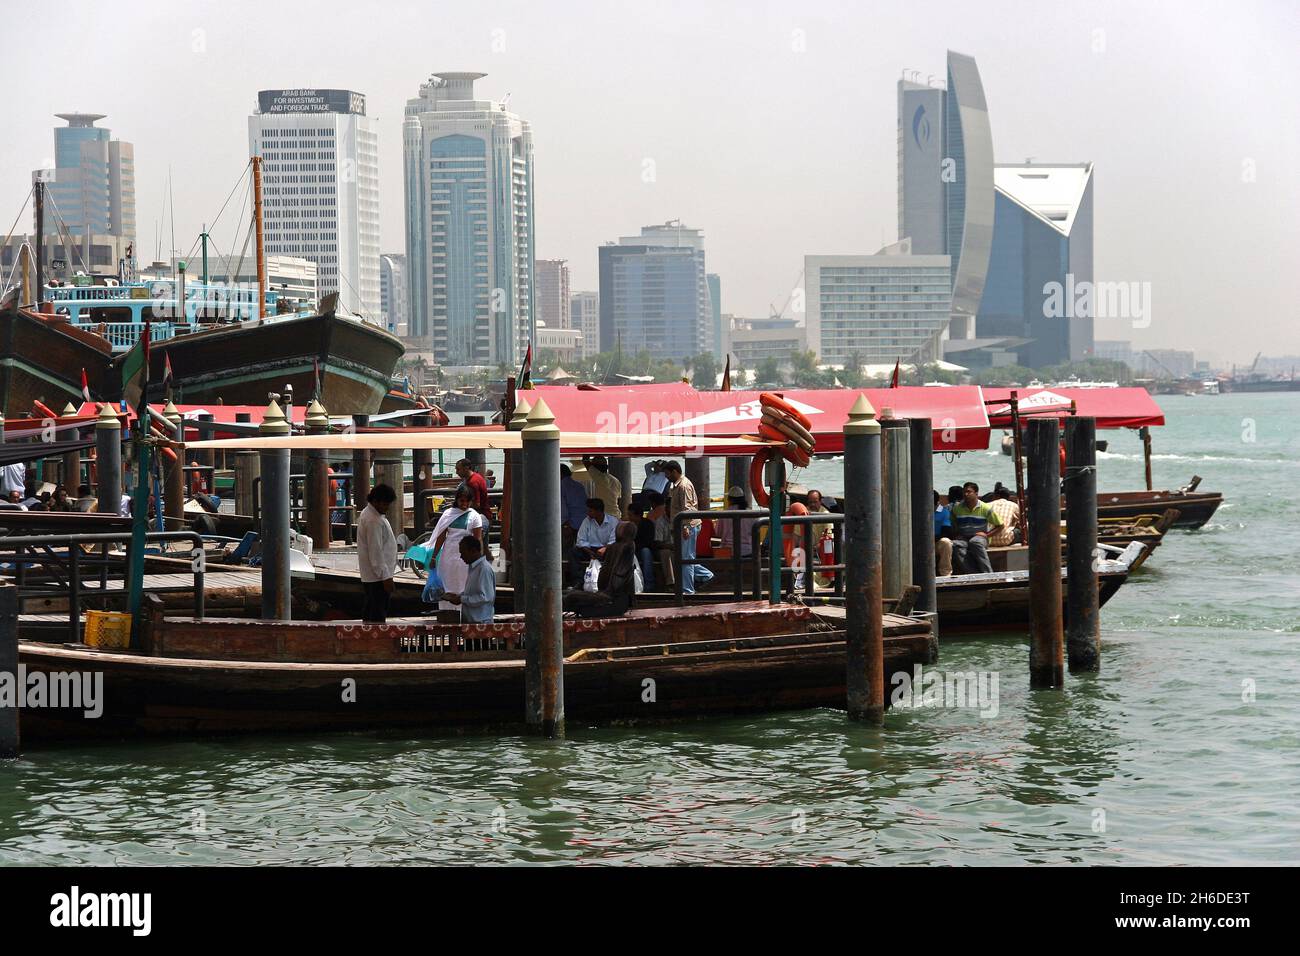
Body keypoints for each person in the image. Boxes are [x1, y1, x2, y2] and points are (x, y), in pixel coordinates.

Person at [563, 520, 638, 618]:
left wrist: (609, 593)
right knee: (567, 595)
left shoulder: (626, 548)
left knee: (570, 597)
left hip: (615, 599)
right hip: (607, 592)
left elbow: (618, 581)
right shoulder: (613, 548)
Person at [430, 487, 487, 612]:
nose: (464, 504)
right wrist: (434, 556)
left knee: (464, 586)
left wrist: (480, 560)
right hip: (448, 557)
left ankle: (463, 615)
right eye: (462, 501)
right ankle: (446, 615)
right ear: (457, 500)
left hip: (466, 558)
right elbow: (441, 537)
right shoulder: (448, 514)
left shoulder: (475, 516)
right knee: (447, 585)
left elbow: (478, 539)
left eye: (467, 501)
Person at [662, 460, 712, 594]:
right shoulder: (676, 486)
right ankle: (706, 576)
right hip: (682, 526)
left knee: (686, 559)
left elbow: (688, 508)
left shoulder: (684, 486)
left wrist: (685, 527)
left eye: (667, 474)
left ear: (674, 471)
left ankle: (688, 590)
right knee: (685, 557)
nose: (666, 477)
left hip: (687, 526)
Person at [357, 483, 399, 623]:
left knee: (371, 610)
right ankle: (375, 642)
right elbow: (376, 552)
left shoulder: (370, 514)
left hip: (374, 576)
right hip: (377, 578)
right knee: (377, 614)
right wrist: (385, 577)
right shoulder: (373, 520)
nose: (387, 508)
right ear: (375, 501)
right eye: (385, 504)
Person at [950, 481, 1003, 574]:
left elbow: (1000, 526)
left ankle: (988, 574)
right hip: (964, 538)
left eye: (969, 492)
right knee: (954, 545)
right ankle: (973, 573)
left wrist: (987, 535)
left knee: (975, 542)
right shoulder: (957, 509)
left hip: (980, 538)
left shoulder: (985, 508)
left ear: (976, 494)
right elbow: (954, 524)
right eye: (964, 492)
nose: (966, 494)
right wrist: (957, 534)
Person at [444, 535, 496, 623]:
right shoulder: (473, 568)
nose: (461, 557)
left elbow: (485, 597)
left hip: (481, 622)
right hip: (471, 621)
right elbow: (473, 592)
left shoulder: (484, 569)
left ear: (473, 551)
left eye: (463, 553)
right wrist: (458, 596)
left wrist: (461, 599)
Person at [571, 497, 618, 587]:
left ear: (598, 511)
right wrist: (590, 553)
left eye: (590, 511)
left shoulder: (613, 521)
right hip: (590, 549)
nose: (588, 513)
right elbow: (581, 540)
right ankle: (578, 581)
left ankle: (611, 581)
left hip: (607, 549)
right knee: (573, 552)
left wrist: (604, 549)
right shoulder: (587, 521)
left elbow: (614, 540)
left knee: (616, 552)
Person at [718, 486, 758, 560]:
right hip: (748, 551)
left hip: (728, 551)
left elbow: (718, 533)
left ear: (730, 499)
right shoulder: (751, 514)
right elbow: (755, 533)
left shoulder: (723, 514)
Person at [559, 463, 589, 554]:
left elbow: (562, 508)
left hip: (568, 523)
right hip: (583, 521)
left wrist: (565, 524)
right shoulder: (579, 485)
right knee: (581, 548)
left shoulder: (560, 486)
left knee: (565, 550)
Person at [630, 496, 658, 589]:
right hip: (631, 549)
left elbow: (649, 542)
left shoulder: (648, 524)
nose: (629, 517)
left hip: (642, 549)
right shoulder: (628, 525)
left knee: (646, 552)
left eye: (631, 515)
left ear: (637, 515)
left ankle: (649, 583)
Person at [583, 454, 622, 518]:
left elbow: (586, 461)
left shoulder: (598, 476)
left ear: (595, 468)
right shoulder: (616, 480)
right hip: (616, 515)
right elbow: (618, 500)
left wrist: (587, 450)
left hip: (604, 516)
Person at [934, 490, 954, 577]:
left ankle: (945, 573)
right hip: (919, 542)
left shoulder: (943, 511)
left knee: (946, 542)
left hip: (935, 542)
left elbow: (946, 532)